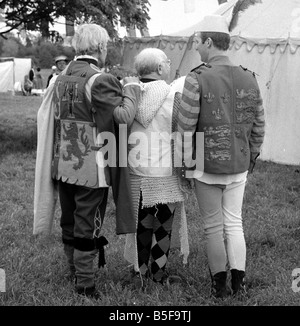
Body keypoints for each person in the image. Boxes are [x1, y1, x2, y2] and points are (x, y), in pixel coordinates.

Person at [33, 23, 142, 299]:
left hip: (63, 163)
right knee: (86, 223)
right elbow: (120, 117)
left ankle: (73, 270)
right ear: (101, 47)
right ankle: (84, 284)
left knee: (69, 219)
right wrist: (130, 90)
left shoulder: (61, 77)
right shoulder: (100, 80)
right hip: (91, 168)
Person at [177, 15, 265, 299]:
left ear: (210, 42)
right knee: (234, 222)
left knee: (213, 226)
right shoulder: (249, 77)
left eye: (199, 43)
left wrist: (185, 164)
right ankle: (238, 284)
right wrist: (250, 158)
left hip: (206, 165)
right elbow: (259, 125)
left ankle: (219, 287)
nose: (198, 49)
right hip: (239, 164)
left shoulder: (196, 78)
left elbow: (185, 128)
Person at [123, 48, 190, 289]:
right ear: (160, 68)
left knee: (142, 223)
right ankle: (158, 272)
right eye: (167, 63)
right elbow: (182, 135)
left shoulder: (129, 95)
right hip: (165, 173)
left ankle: (140, 270)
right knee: (163, 224)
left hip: (136, 171)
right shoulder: (174, 95)